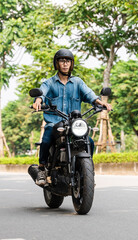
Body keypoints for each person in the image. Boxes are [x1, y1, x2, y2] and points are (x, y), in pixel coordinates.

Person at [32, 49, 112, 186]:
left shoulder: (77, 82)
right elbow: (42, 92)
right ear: (57, 63)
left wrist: (100, 102)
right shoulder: (50, 83)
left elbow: (89, 94)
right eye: (62, 61)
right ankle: (42, 168)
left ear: (71, 64)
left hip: (74, 123)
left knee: (90, 142)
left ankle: (88, 172)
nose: (65, 64)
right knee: (46, 139)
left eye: (68, 61)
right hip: (54, 122)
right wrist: (38, 100)